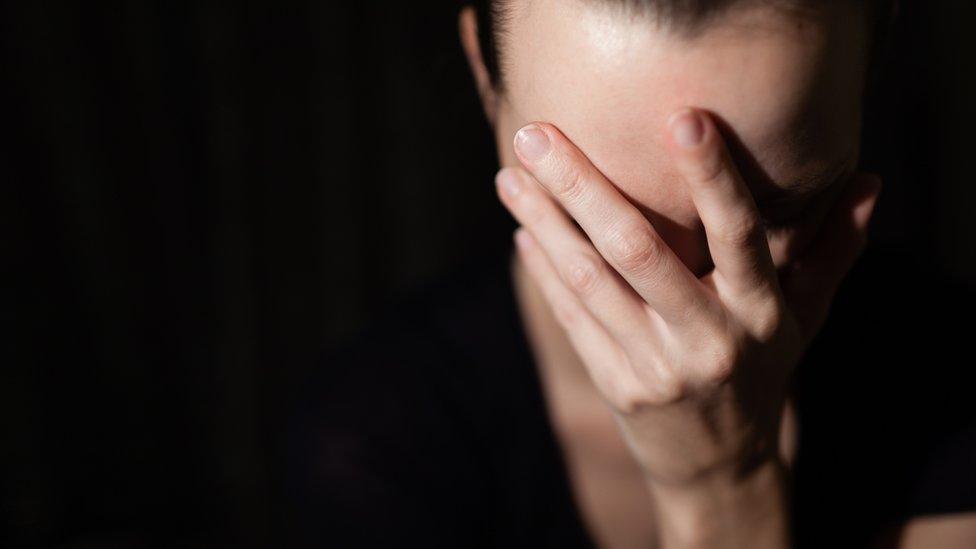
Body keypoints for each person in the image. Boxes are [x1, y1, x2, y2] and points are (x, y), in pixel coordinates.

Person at [284, 1, 976, 547]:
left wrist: (722, 486)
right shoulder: (377, 441)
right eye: (598, 216)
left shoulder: (951, 385)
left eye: (769, 215)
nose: (691, 312)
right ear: (483, 72)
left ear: (868, 78)